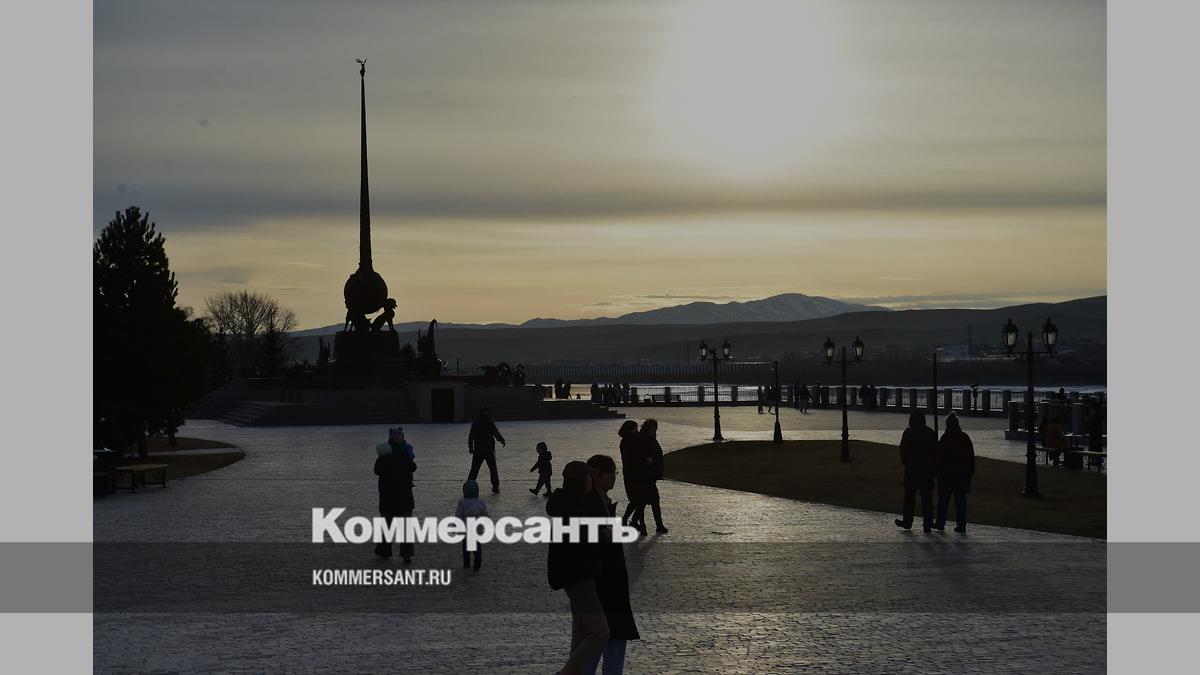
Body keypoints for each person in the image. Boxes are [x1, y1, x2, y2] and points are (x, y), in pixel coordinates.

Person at [547, 461, 610, 675]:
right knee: (600, 632)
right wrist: (603, 536)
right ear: (582, 481)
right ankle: (567, 672)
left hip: (577, 575)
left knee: (581, 632)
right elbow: (581, 538)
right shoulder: (572, 508)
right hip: (578, 576)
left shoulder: (570, 503)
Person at [584, 454, 640, 675]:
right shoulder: (591, 505)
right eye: (611, 473)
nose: (614, 477)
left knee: (612, 640)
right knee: (598, 639)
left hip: (612, 583)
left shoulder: (604, 503)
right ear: (598, 475)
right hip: (602, 583)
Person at [373, 438, 417, 563]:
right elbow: (413, 467)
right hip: (404, 497)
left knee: (387, 525)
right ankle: (406, 555)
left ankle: (384, 551)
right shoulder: (405, 456)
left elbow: (376, 471)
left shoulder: (383, 457)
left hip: (387, 497)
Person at [895, 411, 937, 533]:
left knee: (909, 497)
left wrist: (906, 462)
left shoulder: (908, 432)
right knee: (926, 497)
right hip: (926, 470)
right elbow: (935, 452)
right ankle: (927, 524)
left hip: (912, 469)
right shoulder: (930, 433)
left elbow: (903, 449)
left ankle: (907, 521)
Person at [935, 413, 975, 533]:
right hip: (961, 474)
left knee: (943, 501)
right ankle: (961, 525)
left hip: (946, 474)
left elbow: (939, 457)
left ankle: (940, 523)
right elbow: (970, 457)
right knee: (960, 501)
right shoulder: (964, 437)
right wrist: (969, 472)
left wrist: (938, 472)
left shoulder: (945, 438)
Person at [617, 420, 653, 535]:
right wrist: (646, 462)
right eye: (634, 429)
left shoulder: (633, 440)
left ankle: (630, 520)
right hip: (634, 474)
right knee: (638, 500)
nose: (636, 431)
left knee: (638, 500)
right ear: (629, 430)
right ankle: (635, 522)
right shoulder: (628, 441)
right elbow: (633, 458)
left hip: (635, 473)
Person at [636, 419, 668, 534]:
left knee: (646, 502)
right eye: (653, 428)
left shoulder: (651, 439)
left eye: (655, 428)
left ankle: (655, 525)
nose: (655, 430)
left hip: (651, 475)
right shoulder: (643, 440)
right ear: (647, 428)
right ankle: (646, 525)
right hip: (645, 476)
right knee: (646, 502)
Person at [467, 407, 506, 494]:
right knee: (493, 469)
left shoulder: (476, 422)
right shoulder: (489, 421)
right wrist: (501, 440)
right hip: (489, 449)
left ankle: (469, 486)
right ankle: (495, 487)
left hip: (478, 449)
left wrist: (471, 447)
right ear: (486, 412)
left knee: (474, 469)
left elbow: (471, 435)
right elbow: (495, 433)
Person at [455, 480, 488, 570]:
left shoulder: (462, 502)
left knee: (466, 547)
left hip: (466, 528)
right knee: (477, 547)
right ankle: (477, 562)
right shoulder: (480, 502)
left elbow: (458, 515)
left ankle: (467, 563)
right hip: (477, 529)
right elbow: (484, 514)